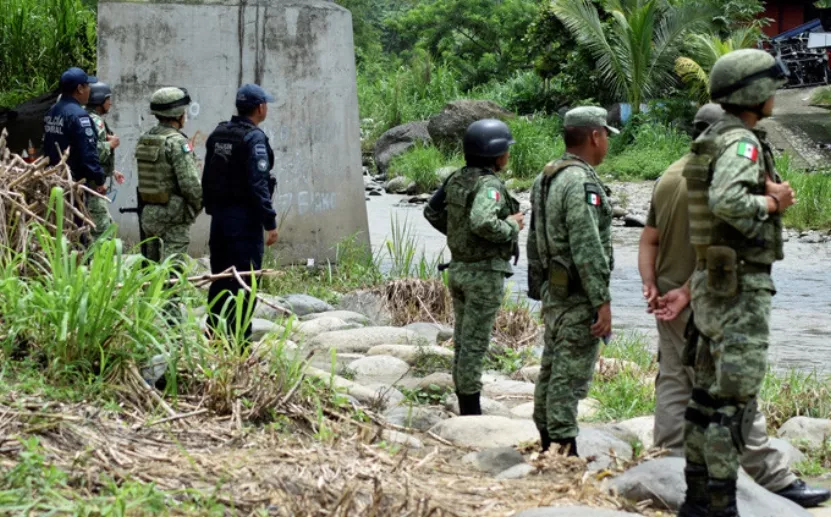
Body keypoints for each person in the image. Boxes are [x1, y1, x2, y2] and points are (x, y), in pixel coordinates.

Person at [639, 103, 830, 509]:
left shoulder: (670, 175)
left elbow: (649, 240)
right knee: (737, 390)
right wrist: (775, 200)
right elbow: (725, 243)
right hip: (710, 293)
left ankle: (672, 463)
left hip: (670, 291)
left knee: (674, 380)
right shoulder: (724, 175)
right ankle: (773, 477)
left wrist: (650, 284)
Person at [673, 49, 803, 517]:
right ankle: (722, 505)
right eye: (770, 86)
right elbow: (728, 202)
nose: (775, 94)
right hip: (740, 289)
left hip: (712, 283)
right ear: (753, 92)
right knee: (734, 402)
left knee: (705, 400)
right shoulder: (742, 143)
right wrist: (774, 204)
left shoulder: (712, 138)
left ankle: (696, 500)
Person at [527, 107, 615, 456]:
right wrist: (602, 300)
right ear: (595, 136)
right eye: (606, 134)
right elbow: (587, 245)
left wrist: (540, 289)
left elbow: (533, 239)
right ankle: (564, 449)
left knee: (552, 365)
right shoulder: (581, 181)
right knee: (570, 372)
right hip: (577, 293)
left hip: (554, 288)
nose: (606, 141)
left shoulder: (546, 176)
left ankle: (548, 436)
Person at [424, 119, 523, 416]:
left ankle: (465, 402)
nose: (508, 154)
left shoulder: (456, 178)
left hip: (458, 271)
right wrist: (510, 227)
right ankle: (470, 412)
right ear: (495, 154)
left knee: (464, 341)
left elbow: (431, 211)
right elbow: (482, 221)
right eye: (506, 149)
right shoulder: (490, 185)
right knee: (475, 344)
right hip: (483, 275)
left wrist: (459, 235)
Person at [203, 84, 279, 344]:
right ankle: (241, 344)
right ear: (260, 108)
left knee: (220, 279)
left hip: (219, 222)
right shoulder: (254, 139)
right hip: (244, 223)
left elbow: (207, 177)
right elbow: (259, 184)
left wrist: (213, 209)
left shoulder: (218, 133)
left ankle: (214, 337)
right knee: (245, 283)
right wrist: (270, 221)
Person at [134, 87, 203, 264]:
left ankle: (152, 292)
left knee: (151, 269)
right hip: (174, 215)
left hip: (149, 213)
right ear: (179, 113)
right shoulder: (177, 142)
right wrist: (198, 205)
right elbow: (189, 184)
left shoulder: (145, 138)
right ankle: (171, 293)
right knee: (173, 269)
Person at [43, 68, 107, 229]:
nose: (89, 90)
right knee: (79, 230)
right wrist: (99, 179)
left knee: (58, 227)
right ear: (79, 89)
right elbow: (88, 153)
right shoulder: (79, 116)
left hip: (53, 180)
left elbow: (46, 145)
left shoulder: (52, 111)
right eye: (87, 86)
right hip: (74, 184)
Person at [85, 81, 126, 240]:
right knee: (103, 230)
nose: (110, 102)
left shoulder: (86, 116)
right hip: (93, 186)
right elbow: (91, 153)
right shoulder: (96, 121)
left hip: (87, 183)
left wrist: (112, 171)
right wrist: (110, 145)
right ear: (99, 99)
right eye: (108, 98)